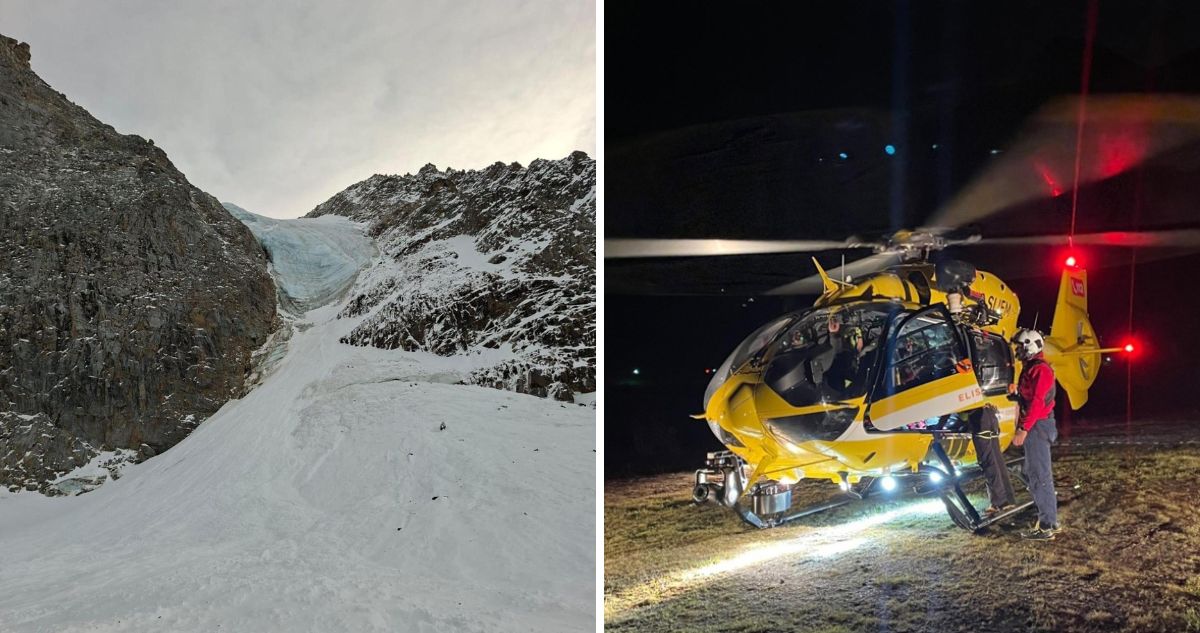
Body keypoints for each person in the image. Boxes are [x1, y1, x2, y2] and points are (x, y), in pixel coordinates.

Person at [1011, 328, 1060, 540]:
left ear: (1032, 346)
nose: (1018, 351)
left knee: (1040, 476)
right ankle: (1047, 520)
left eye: (1021, 347)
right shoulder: (1032, 368)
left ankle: (1048, 525)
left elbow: (1038, 403)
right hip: (1037, 425)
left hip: (1038, 426)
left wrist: (1023, 429)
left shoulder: (1041, 370)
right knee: (1033, 472)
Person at [969, 404, 1017, 515]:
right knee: (998, 461)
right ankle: (1008, 499)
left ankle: (999, 502)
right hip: (990, 415)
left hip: (979, 418)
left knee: (988, 463)